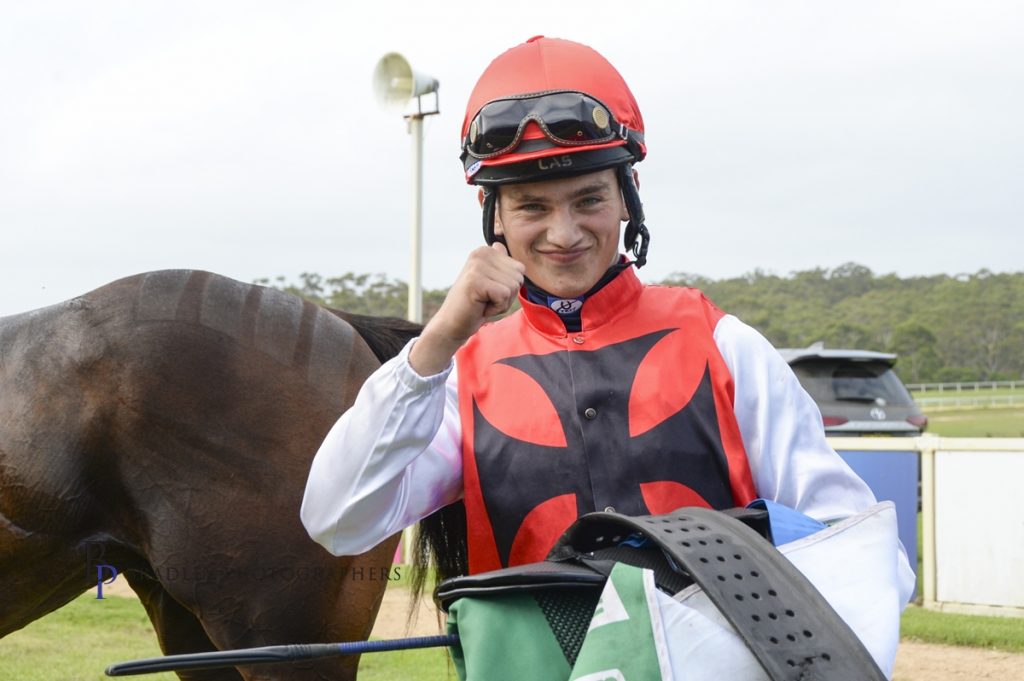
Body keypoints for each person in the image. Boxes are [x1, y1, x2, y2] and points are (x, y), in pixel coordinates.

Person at [301, 35, 913, 675]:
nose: (563, 233)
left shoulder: (726, 345)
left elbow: (855, 548)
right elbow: (336, 519)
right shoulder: (460, 378)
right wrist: (435, 344)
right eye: (532, 207)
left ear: (628, 193)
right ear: (494, 214)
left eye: (589, 199)